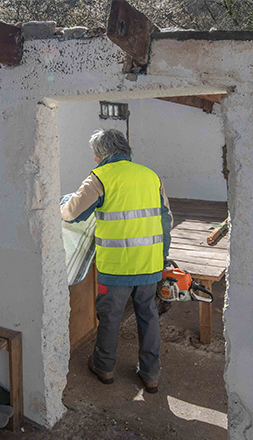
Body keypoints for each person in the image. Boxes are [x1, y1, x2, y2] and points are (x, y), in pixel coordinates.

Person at [60, 129, 173, 393]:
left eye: (95, 154)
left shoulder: (99, 177)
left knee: (110, 316)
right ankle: (151, 374)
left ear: (101, 154)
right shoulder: (150, 176)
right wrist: (162, 258)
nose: (95, 159)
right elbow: (166, 220)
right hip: (149, 264)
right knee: (148, 314)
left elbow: (71, 214)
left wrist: (64, 202)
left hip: (116, 268)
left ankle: (104, 367)